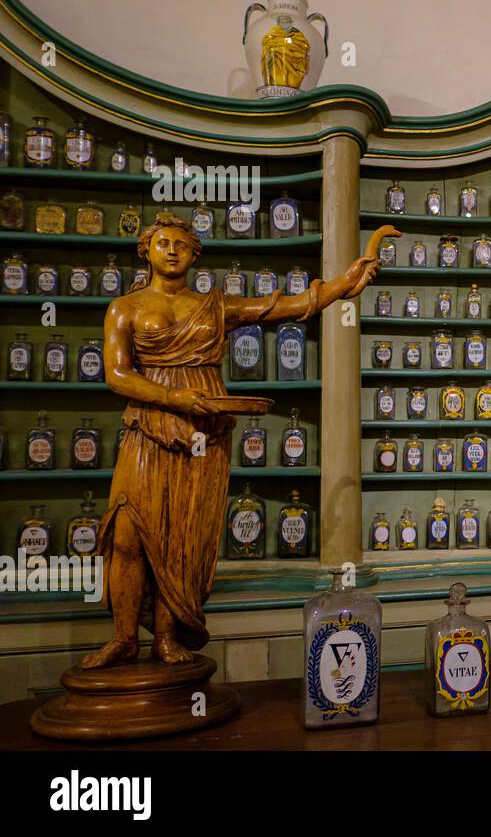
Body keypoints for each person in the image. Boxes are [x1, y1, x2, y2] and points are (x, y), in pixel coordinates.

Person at [81, 214, 379, 668]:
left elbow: (283, 307)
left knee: (181, 538)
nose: (173, 250)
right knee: (127, 535)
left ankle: (165, 637)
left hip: (205, 433)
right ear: (147, 250)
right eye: (163, 242)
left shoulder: (215, 306)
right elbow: (117, 375)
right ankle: (124, 636)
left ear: (195, 254)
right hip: (150, 425)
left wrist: (343, 284)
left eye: (182, 244)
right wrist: (173, 397)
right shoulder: (125, 307)